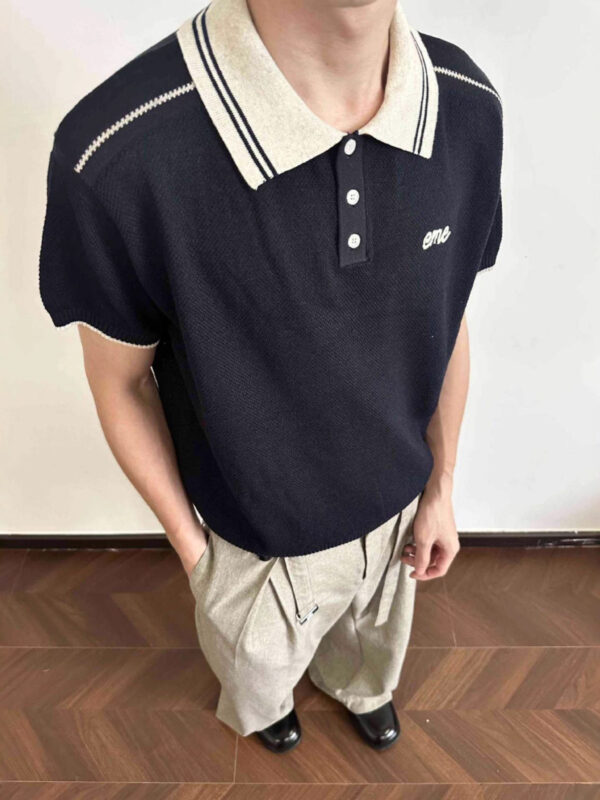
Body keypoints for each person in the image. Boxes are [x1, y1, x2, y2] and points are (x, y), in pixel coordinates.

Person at [38, 0, 503, 753]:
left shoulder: (469, 105)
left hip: (399, 519)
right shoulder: (121, 147)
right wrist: (200, 562)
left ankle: (358, 687)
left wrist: (442, 485)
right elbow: (120, 382)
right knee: (256, 678)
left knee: (371, 658)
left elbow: (446, 315)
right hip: (253, 547)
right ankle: (269, 707)